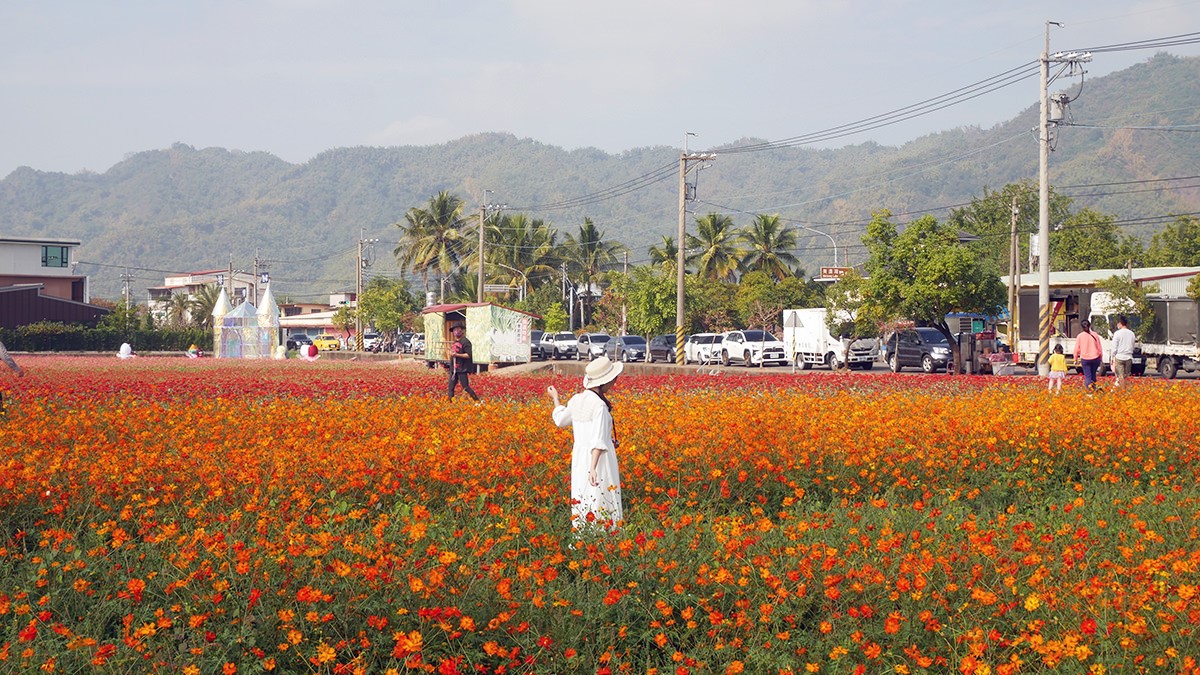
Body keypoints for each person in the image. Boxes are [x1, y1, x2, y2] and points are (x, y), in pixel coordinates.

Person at [547, 356, 624, 534]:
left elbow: (560, 420)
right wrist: (593, 468)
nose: (614, 382)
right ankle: (604, 536)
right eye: (613, 379)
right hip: (598, 459)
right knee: (601, 495)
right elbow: (597, 440)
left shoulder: (576, 400)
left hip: (580, 458)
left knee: (583, 494)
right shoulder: (599, 406)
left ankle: (583, 535)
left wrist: (556, 398)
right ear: (605, 381)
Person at [447, 324, 480, 401]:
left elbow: (468, 355)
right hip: (454, 369)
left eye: (458, 329)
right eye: (454, 330)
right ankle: (449, 404)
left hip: (462, 368)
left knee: (465, 387)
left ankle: (477, 400)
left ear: (462, 331)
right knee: (450, 387)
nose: (456, 332)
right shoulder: (455, 341)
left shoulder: (466, 342)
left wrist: (457, 355)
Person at [1073, 319, 1103, 390]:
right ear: (1090, 325)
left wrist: (1075, 359)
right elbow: (1099, 347)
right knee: (1093, 375)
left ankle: (1089, 390)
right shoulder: (1095, 335)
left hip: (1085, 359)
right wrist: (1101, 357)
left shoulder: (1080, 336)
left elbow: (1076, 349)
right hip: (1095, 358)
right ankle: (1095, 389)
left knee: (1088, 376)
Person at [1111, 315, 1136, 388]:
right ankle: (1124, 389)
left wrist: (1112, 357)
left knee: (1120, 376)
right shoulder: (1131, 333)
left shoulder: (1117, 333)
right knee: (1125, 376)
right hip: (1129, 357)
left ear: (1120, 323)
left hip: (1119, 357)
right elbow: (1133, 345)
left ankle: (1123, 390)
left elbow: (1114, 347)